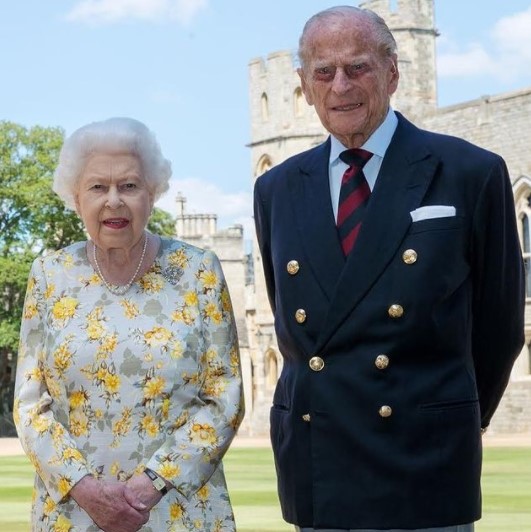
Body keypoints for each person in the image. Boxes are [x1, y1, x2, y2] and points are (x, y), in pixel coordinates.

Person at [253, 6, 525, 532]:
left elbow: (500, 327)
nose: (340, 86)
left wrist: (444, 417)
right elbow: (294, 328)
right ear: (303, 87)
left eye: (358, 68)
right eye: (323, 72)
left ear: (393, 73)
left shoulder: (471, 173)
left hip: (423, 464)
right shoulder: (277, 188)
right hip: (319, 465)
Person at [14, 117, 245, 532]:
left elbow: (225, 397)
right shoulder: (49, 274)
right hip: (74, 511)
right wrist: (85, 489)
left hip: (181, 510)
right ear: (75, 197)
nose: (114, 201)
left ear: (152, 193)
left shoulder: (198, 271)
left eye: (130, 186)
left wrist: (150, 484)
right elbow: (30, 404)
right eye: (98, 187)